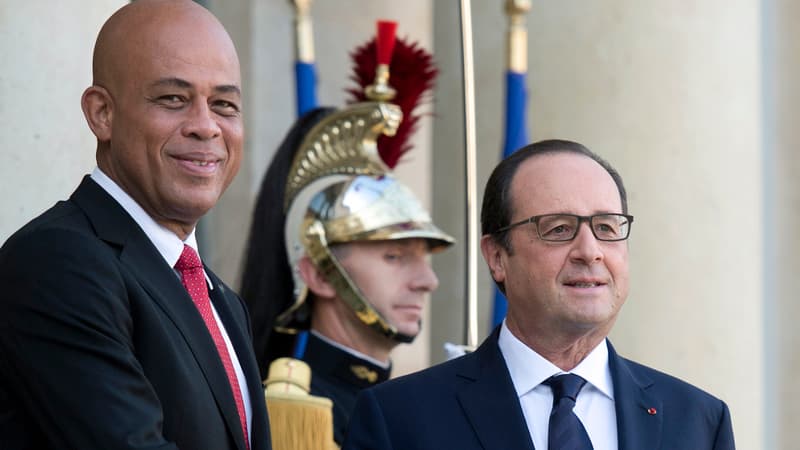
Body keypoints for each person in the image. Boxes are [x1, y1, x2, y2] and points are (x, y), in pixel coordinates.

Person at [343, 139, 735, 449]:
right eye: (559, 229)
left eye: (607, 227)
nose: (590, 250)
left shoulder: (698, 420)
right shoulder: (401, 419)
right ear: (497, 257)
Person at [0, 1, 270, 449]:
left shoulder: (218, 297)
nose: (206, 127)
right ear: (102, 113)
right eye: (173, 99)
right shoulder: (58, 263)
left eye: (224, 104)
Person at [240, 101, 454, 446]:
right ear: (320, 275)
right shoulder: (293, 409)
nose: (428, 281)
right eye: (394, 256)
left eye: (424, 258)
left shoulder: (414, 403)